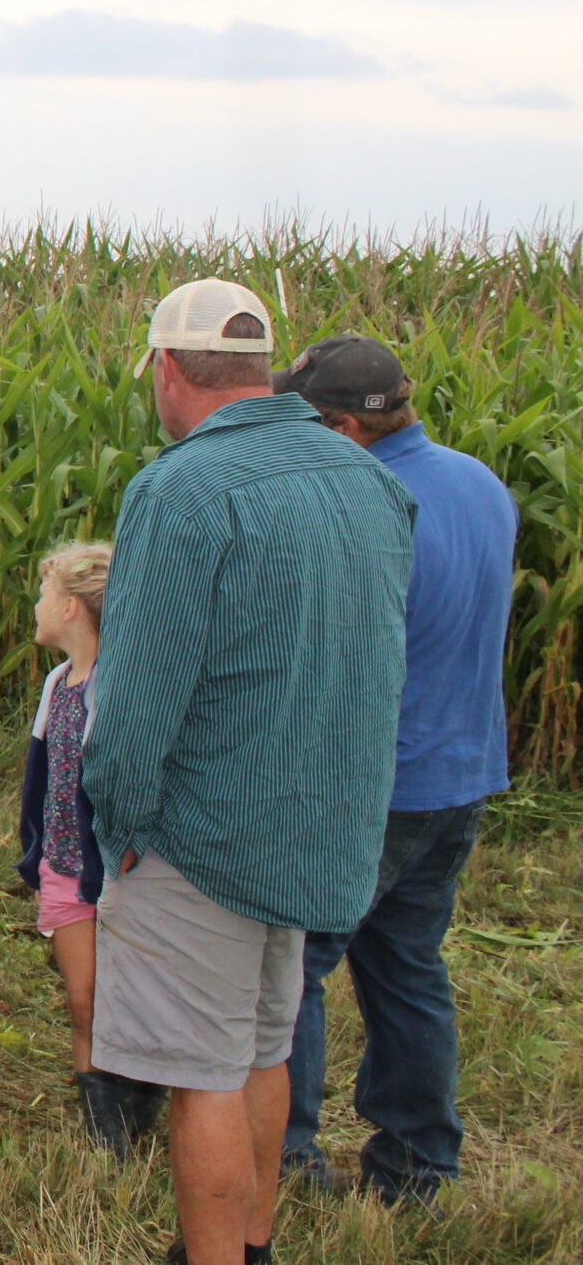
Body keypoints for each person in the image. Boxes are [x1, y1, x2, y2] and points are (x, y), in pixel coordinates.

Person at [84, 279, 415, 1265]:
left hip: (201, 838)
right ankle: (255, 1240)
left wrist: (120, 818)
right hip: (317, 830)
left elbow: (137, 701)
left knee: (201, 1075)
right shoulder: (372, 481)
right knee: (263, 1048)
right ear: (263, 370)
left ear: (167, 368)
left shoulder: (179, 489)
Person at [274, 335, 517, 1204]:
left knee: (291, 965)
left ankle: (287, 1156)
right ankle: (418, 1163)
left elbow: (335, 654)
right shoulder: (478, 481)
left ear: (342, 427)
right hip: (462, 769)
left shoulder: (370, 502)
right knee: (408, 965)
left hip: (378, 778)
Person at [14, 541, 165, 1152]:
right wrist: (37, 850)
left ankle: (143, 1100)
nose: (38, 604)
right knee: (85, 997)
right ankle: (107, 1133)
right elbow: (41, 774)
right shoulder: (58, 682)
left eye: (47, 593)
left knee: (133, 992)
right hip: (66, 866)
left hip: (124, 873)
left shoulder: (124, 687)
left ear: (73, 608)